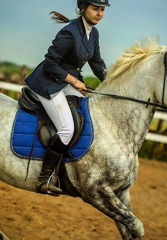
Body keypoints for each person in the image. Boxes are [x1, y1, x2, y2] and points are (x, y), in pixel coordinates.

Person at [25, 0, 110, 196]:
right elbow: (50, 63)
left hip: (66, 84)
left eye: (102, 10)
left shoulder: (93, 33)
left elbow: (97, 64)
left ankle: (70, 168)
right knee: (67, 129)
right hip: (49, 84)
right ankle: (44, 179)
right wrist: (75, 81)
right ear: (83, 9)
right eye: (95, 8)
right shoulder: (70, 31)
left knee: (87, 112)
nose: (99, 13)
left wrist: (114, 84)